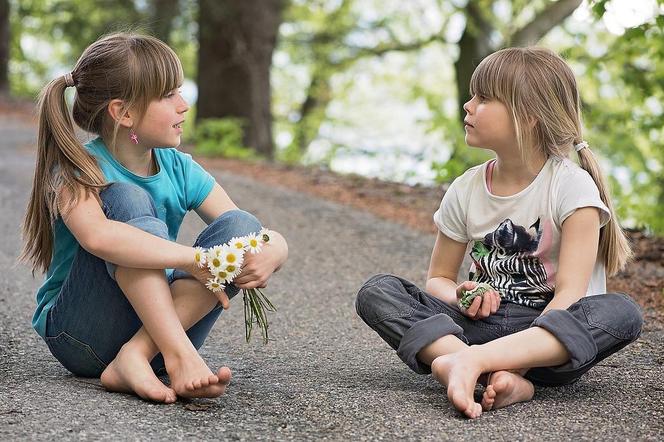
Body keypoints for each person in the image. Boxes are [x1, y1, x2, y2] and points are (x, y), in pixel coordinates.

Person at [355, 47, 643, 419]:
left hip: (545, 344)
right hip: (474, 327)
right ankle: (475, 367)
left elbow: (570, 295)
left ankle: (462, 364)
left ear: (529, 117)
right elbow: (439, 278)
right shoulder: (467, 187)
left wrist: (515, 363)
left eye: (484, 98)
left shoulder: (572, 188)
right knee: (378, 291)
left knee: (621, 312)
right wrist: (462, 294)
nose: (468, 106)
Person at [20, 33, 288, 403]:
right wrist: (195, 259)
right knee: (126, 198)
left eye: (180, 92)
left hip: (160, 333)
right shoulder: (77, 170)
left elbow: (245, 228)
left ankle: (138, 355)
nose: (184, 106)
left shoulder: (179, 168)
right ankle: (175, 354)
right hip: (83, 336)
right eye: (168, 95)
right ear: (124, 113)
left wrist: (276, 248)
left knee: (241, 227)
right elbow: (98, 238)